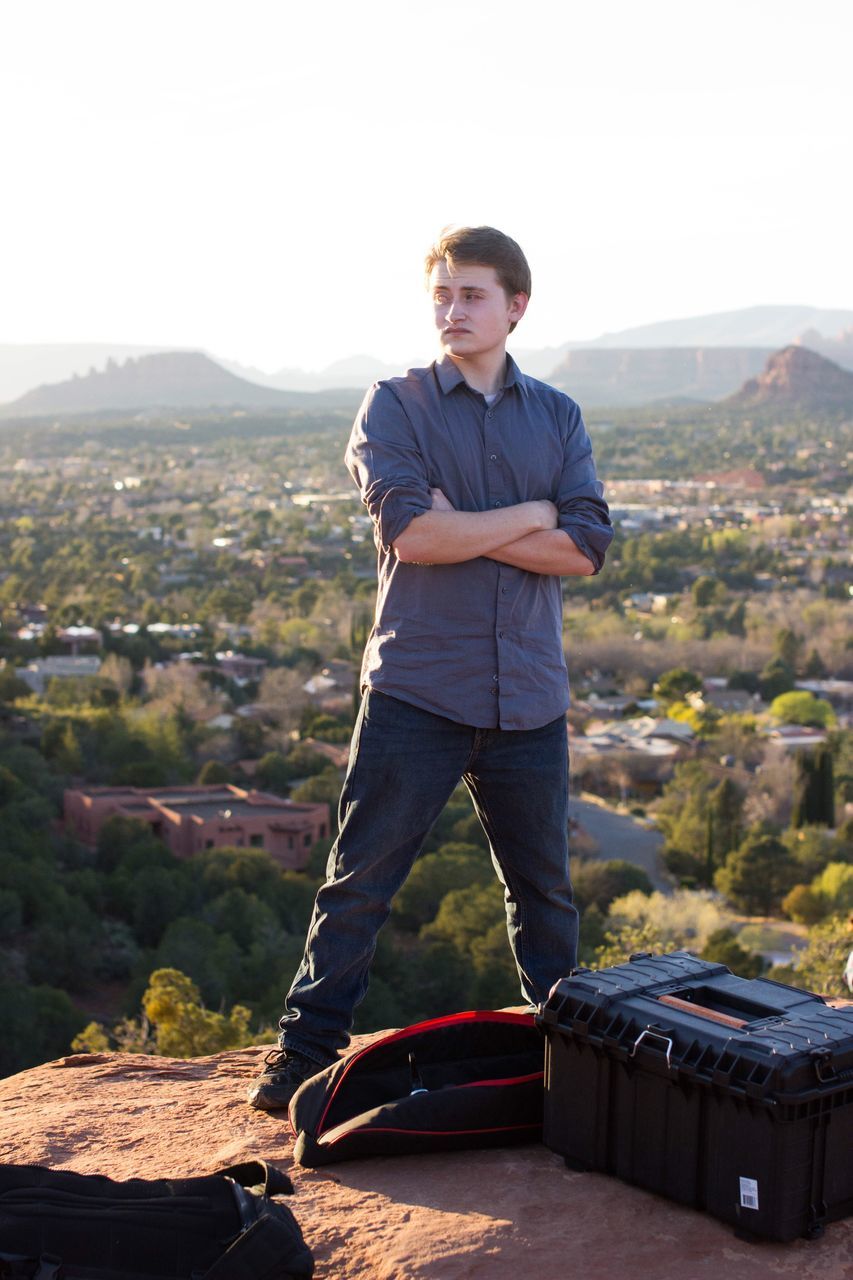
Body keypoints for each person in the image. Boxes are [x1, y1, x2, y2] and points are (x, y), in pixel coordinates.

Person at [248, 225, 613, 1110]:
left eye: (472, 294)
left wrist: (476, 527)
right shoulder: (396, 404)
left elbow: (589, 547)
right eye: (442, 295)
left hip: (526, 695)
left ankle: (566, 1063)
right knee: (360, 882)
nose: (453, 310)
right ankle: (301, 1059)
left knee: (545, 897)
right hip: (419, 689)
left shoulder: (556, 414)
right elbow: (413, 536)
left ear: (515, 306)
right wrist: (531, 513)